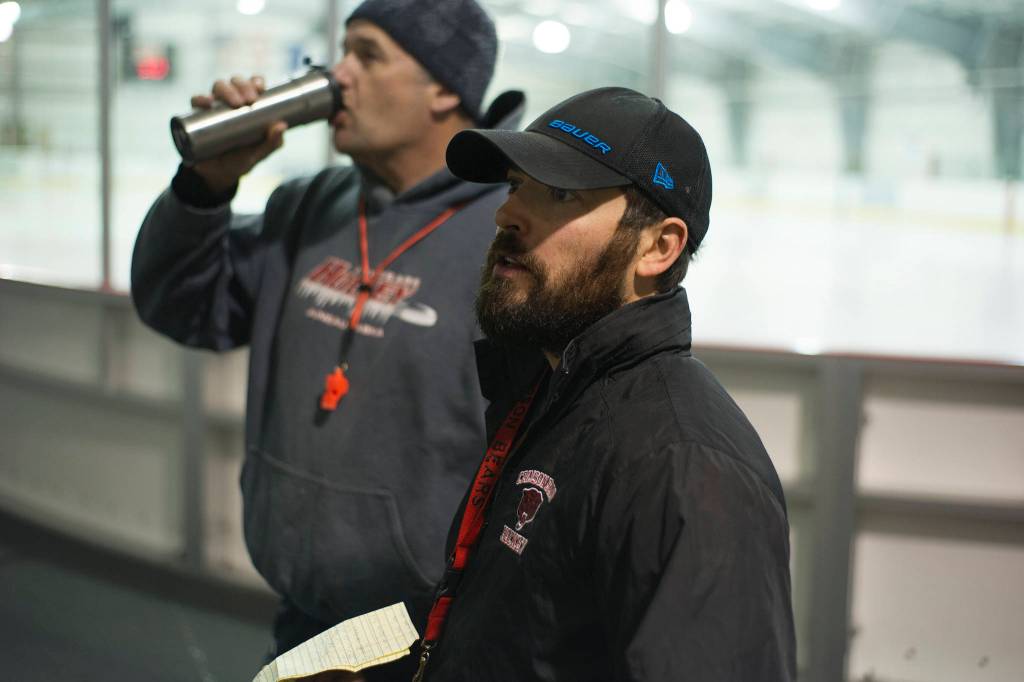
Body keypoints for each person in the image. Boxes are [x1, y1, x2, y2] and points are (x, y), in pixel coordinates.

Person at [130, 1, 523, 679]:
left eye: (367, 55)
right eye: (342, 51)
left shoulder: (510, 235)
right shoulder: (307, 207)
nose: (337, 75)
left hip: (435, 639)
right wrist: (206, 187)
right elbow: (182, 306)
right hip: (304, 617)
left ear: (445, 88)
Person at [412, 87, 797, 681]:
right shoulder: (553, 392)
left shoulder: (682, 465)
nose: (506, 214)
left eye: (561, 193)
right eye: (517, 185)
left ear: (659, 247)